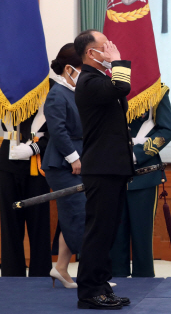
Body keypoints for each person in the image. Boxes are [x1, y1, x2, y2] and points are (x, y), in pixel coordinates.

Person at [74, 29, 133, 310]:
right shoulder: (88, 81)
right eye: (105, 46)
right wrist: (119, 61)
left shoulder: (99, 79)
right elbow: (122, 88)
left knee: (107, 231)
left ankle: (101, 285)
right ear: (91, 53)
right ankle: (88, 292)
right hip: (102, 168)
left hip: (113, 167)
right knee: (98, 231)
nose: (110, 48)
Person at [110, 90, 171, 278]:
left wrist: (137, 153)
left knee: (142, 234)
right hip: (113, 168)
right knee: (115, 233)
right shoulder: (108, 87)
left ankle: (144, 279)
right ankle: (116, 277)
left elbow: (166, 130)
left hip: (145, 172)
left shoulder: (157, 90)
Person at [41, 43, 84, 288]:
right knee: (80, 216)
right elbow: (57, 130)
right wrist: (73, 157)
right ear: (69, 69)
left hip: (78, 162)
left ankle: (60, 268)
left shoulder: (75, 92)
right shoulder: (58, 93)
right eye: (83, 70)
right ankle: (93, 277)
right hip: (63, 165)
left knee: (72, 216)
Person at [0, 93, 52, 278]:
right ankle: (11, 277)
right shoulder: (3, 88)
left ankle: (41, 276)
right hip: (6, 162)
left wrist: (35, 148)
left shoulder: (49, 89)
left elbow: (59, 128)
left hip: (36, 166)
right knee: (9, 226)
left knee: (39, 225)